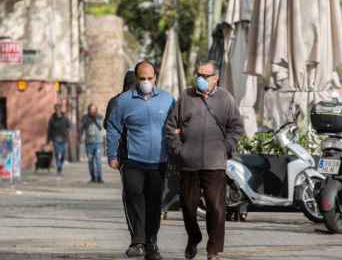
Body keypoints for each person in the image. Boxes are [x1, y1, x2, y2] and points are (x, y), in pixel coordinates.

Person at [167, 60, 244, 260]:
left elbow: (236, 128)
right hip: (188, 163)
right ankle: (194, 238)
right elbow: (170, 126)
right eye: (198, 75)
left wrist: (225, 147)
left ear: (215, 78)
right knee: (188, 207)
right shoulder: (186, 96)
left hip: (214, 163)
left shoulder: (226, 99)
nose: (200, 79)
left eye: (205, 75)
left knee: (216, 208)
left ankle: (214, 249)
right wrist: (178, 149)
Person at [106, 61, 175, 260]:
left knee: (154, 204)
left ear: (155, 78)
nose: (146, 82)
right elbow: (113, 127)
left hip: (159, 162)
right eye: (142, 78)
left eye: (150, 78)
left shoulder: (168, 100)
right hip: (133, 161)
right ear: (136, 79)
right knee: (134, 197)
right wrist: (112, 155)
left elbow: (176, 126)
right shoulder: (124, 101)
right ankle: (137, 242)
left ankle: (151, 243)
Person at [81, 104, 104, 183]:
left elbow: (101, 127)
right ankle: (93, 177)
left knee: (98, 160)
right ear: (88, 110)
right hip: (89, 143)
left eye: (94, 109)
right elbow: (83, 127)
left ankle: (99, 177)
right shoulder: (85, 118)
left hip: (98, 142)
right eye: (91, 109)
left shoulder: (99, 117)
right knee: (90, 161)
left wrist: (94, 119)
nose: (92, 111)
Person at [47, 104, 71, 175]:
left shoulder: (65, 118)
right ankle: (59, 166)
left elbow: (69, 126)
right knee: (57, 153)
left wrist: (67, 133)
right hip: (55, 138)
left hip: (64, 138)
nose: (57, 111)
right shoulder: (52, 118)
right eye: (56, 109)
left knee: (63, 154)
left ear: (60, 110)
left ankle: (60, 164)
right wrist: (48, 140)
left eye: (58, 109)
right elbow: (49, 130)